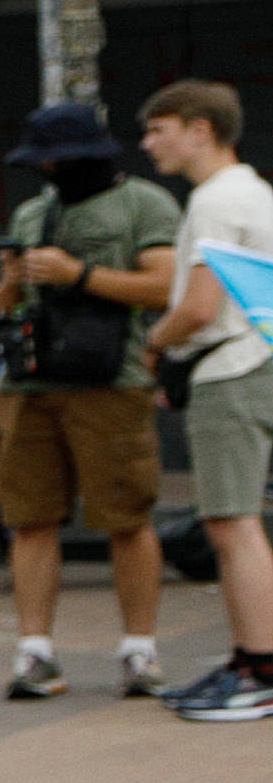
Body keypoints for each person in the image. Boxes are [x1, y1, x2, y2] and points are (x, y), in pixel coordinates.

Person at [0, 99, 175, 700]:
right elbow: (4, 306)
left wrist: (78, 275)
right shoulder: (33, 211)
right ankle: (34, 651)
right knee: (30, 518)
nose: (47, 172)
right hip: (31, 385)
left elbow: (165, 285)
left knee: (126, 515)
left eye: (55, 160)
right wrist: (15, 279)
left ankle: (139, 649)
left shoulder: (144, 203)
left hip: (109, 385)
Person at [138, 79, 273, 719]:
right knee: (239, 520)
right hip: (254, 365)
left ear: (200, 129)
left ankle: (258, 666)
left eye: (158, 129)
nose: (148, 144)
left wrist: (155, 345)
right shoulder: (253, 192)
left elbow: (198, 307)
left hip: (232, 372)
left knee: (232, 522)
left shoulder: (217, 202)